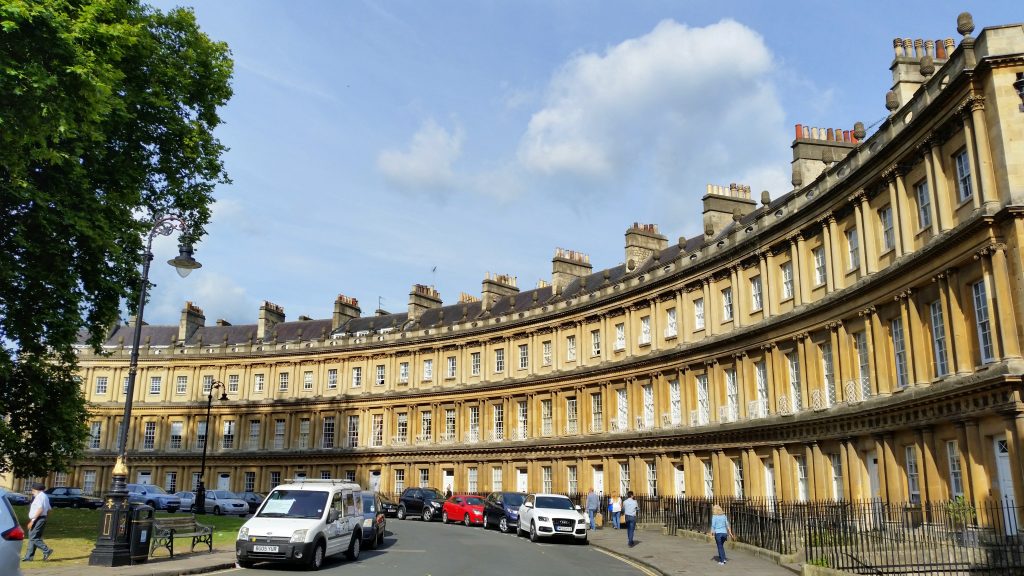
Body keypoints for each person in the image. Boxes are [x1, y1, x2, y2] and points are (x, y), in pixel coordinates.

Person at [23, 482, 53, 561]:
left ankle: (46, 550)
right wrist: (46, 518)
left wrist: (32, 521)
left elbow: (40, 509)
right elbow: (49, 509)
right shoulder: (45, 496)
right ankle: (28, 557)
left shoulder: (39, 497)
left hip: (37, 519)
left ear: (37, 490)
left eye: (33, 491)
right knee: (33, 537)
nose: (32, 493)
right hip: (41, 518)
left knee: (33, 537)